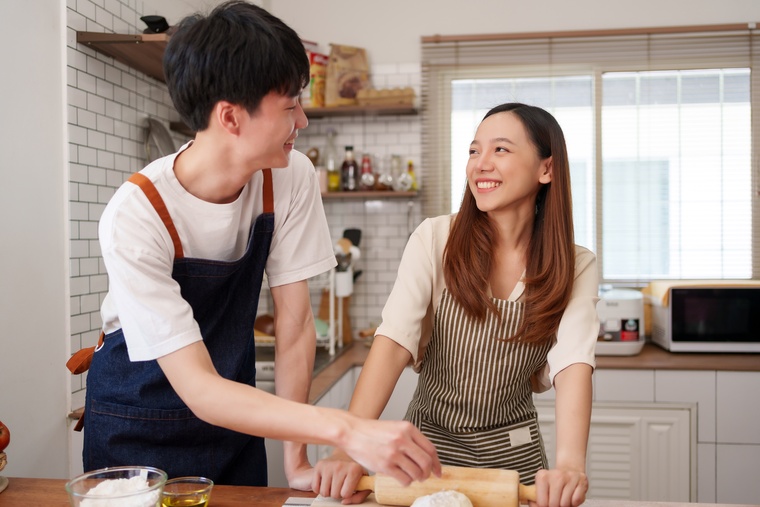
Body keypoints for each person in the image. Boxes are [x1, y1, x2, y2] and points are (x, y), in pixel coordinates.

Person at [80, 0, 440, 490]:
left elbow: (293, 328)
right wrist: (351, 430)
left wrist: (297, 460)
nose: (304, 121)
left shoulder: (290, 177)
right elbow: (201, 389)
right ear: (230, 117)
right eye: (290, 105)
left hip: (235, 423)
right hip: (136, 425)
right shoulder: (136, 214)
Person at [313, 103, 599, 507]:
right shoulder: (435, 239)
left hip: (515, 463)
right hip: (422, 459)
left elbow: (573, 363)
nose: (480, 164)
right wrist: (349, 448)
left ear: (546, 169)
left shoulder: (575, 265)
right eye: (473, 151)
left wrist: (570, 464)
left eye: (500, 150)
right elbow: (394, 342)